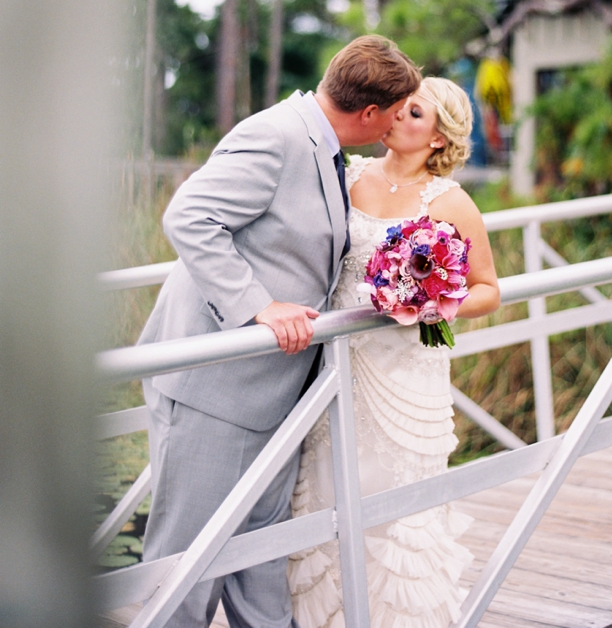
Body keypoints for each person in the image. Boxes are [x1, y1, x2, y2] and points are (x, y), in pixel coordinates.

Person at [138, 35, 421, 628]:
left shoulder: (325, 144)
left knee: (261, 556)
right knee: (186, 568)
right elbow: (188, 216)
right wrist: (257, 306)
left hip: (273, 392)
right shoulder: (277, 135)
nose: (397, 125)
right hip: (214, 387)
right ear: (369, 114)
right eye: (395, 114)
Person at [288, 77, 501, 628]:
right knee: (326, 496)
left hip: (406, 371)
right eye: (400, 108)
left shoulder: (450, 201)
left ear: (437, 139)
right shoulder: (350, 175)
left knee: (397, 511)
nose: (398, 116)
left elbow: (487, 289)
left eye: (415, 113)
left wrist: (436, 303)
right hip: (337, 366)